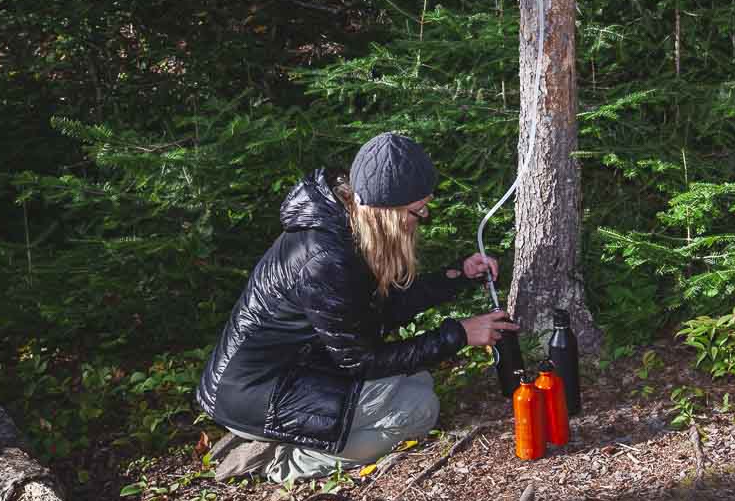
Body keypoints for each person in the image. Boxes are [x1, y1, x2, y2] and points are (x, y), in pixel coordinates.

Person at [195, 132, 518, 482]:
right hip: (256, 394)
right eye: (417, 210)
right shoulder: (324, 259)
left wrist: (457, 276)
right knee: (420, 409)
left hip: (297, 371)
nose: (423, 217)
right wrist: (457, 335)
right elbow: (361, 360)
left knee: (418, 382)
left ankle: (293, 436)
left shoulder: (346, 225)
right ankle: (281, 460)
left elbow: (379, 311)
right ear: (385, 210)